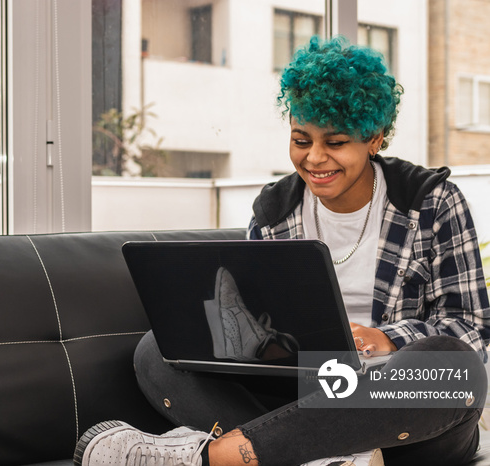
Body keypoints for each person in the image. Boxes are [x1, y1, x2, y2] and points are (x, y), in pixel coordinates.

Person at [73, 36, 490, 466]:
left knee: (454, 366)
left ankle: (215, 457)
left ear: (375, 138)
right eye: (301, 139)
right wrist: (260, 348)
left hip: (402, 420)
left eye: (336, 142)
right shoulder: (274, 212)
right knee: (155, 351)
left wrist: (383, 339)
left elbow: (472, 330)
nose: (315, 159)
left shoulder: (432, 202)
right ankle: (327, 458)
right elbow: (257, 335)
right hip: (301, 395)